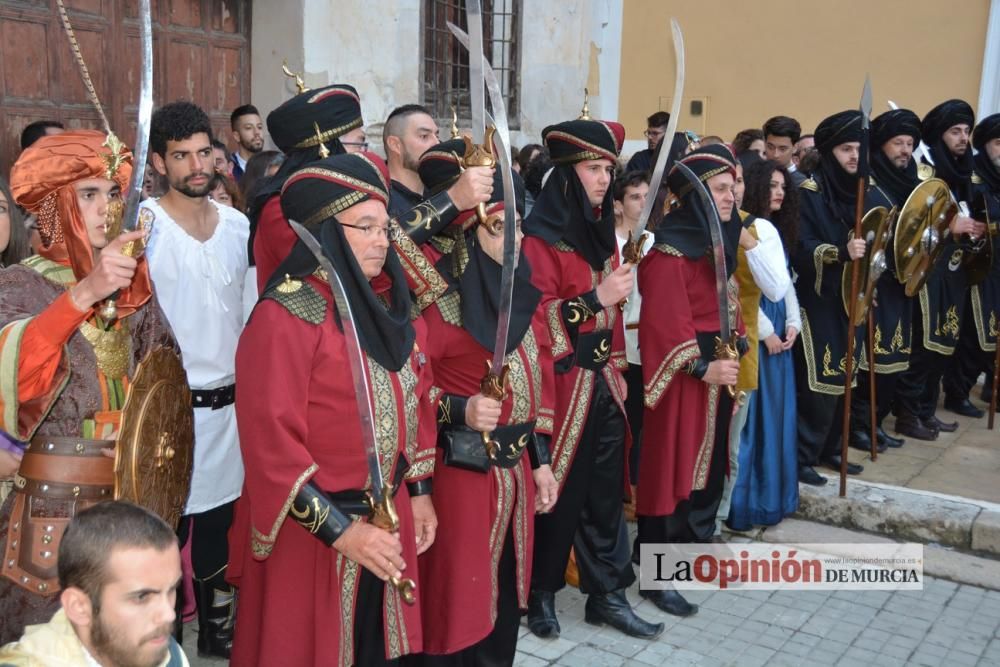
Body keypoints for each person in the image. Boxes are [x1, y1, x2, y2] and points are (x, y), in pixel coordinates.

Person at [229, 151, 436, 666]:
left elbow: (415, 401)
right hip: (315, 537)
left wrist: (420, 492)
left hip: (385, 523)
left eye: (384, 227)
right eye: (364, 227)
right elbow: (271, 448)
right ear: (324, 231)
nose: (382, 241)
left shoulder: (385, 306)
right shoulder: (287, 316)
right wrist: (345, 533)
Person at [0, 129, 176, 644]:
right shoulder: (17, 285)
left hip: (130, 504)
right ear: (54, 205)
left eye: (113, 193)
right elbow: (18, 374)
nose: (107, 208)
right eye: (89, 194)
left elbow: (164, 392)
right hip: (48, 515)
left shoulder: (134, 290)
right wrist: (84, 293)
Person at [410, 140, 558, 665]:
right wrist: (460, 408)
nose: (515, 239)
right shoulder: (439, 302)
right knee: (459, 600)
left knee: (503, 595)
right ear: (468, 233)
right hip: (461, 474)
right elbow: (410, 392)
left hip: (515, 471)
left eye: (518, 226)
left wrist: (541, 461)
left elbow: (538, 380)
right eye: (500, 227)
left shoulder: (521, 290)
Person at [522, 114, 663, 640]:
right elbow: (534, 322)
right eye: (591, 168)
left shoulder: (604, 236)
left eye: (608, 167)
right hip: (560, 389)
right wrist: (593, 301)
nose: (604, 178)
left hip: (604, 382)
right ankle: (540, 594)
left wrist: (619, 369)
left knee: (606, 496)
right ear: (565, 173)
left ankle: (606, 594)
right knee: (557, 496)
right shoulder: (540, 241)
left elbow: (613, 315)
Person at [143, 101, 250, 659]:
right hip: (169, 412)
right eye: (180, 156)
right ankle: (166, 638)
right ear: (159, 162)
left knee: (218, 524)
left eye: (203, 152)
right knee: (164, 531)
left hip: (231, 411)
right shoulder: (145, 229)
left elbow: (251, 315)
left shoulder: (238, 227)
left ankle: (216, 628)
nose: (195, 165)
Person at [635, 145, 746, 617]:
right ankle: (653, 577)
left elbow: (730, 302)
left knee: (700, 476)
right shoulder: (667, 253)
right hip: (680, 379)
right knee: (667, 475)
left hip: (714, 374)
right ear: (696, 195)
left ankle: (676, 561)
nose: (730, 197)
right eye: (720, 189)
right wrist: (703, 367)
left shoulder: (714, 241)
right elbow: (664, 325)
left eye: (732, 188)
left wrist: (735, 349)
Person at [0, 501, 188, 667]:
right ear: (79, 606)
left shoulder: (166, 652)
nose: (169, 615)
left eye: (172, 589)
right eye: (142, 597)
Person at [793, 110, 874, 485]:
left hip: (850, 298)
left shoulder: (863, 190)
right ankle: (803, 456)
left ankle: (832, 449)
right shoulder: (807, 194)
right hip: (818, 298)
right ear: (828, 152)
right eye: (846, 149)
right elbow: (800, 247)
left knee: (846, 378)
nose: (854, 156)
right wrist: (839, 253)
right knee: (819, 383)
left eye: (859, 148)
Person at [895, 100, 984, 437]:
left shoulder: (963, 172)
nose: (963, 138)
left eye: (966, 132)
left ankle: (926, 410)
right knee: (923, 346)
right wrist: (951, 226)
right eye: (955, 131)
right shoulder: (924, 171)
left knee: (944, 346)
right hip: (928, 272)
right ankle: (907, 414)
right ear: (938, 135)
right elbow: (912, 224)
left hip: (955, 270)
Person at [715, 156, 792, 537]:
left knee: (729, 443)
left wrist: (747, 241)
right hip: (694, 352)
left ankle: (715, 520)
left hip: (739, 351)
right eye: (725, 183)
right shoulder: (688, 223)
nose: (734, 189)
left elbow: (777, 288)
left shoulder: (756, 227)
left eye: (740, 181)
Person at [851, 109, 922, 446]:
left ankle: (877, 423)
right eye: (898, 142)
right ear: (881, 145)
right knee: (871, 361)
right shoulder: (867, 185)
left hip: (902, 282)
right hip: (876, 284)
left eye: (909, 143)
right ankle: (860, 427)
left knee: (894, 359)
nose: (905, 150)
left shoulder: (913, 185)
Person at [942, 114, 1000, 415]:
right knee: (975, 333)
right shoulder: (974, 176)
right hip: (979, 264)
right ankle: (957, 391)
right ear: (986, 145)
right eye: (998, 143)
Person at [613, 170, 651, 507]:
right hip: (615, 340)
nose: (642, 203)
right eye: (634, 197)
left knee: (639, 420)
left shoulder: (654, 241)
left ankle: (635, 490)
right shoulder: (607, 242)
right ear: (619, 204)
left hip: (643, 346)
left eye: (646, 196)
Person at [763, 116, 805, 186]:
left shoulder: (802, 185)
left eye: (782, 149)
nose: (775, 155)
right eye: (770, 147)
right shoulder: (754, 179)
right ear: (764, 143)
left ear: (795, 147)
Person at [229, 104, 264, 181]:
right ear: (236, 136)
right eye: (249, 128)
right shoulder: (228, 168)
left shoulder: (272, 165)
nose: (257, 132)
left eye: (259, 127)